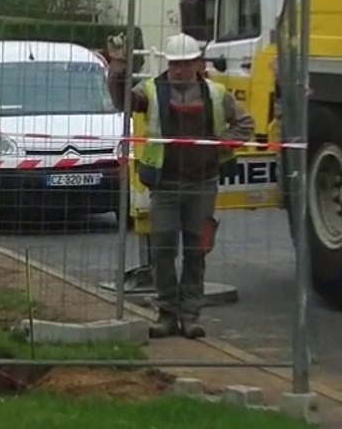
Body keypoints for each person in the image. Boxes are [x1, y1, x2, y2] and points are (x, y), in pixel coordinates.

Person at [106, 33, 254, 340]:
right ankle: (167, 314)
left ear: (197, 64)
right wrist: (118, 70)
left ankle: (190, 316)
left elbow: (245, 124)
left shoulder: (216, 93)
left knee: (196, 252)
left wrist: (219, 144)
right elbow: (124, 103)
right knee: (162, 250)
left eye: (185, 64)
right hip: (165, 186)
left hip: (202, 185)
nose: (179, 70)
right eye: (174, 64)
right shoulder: (151, 90)